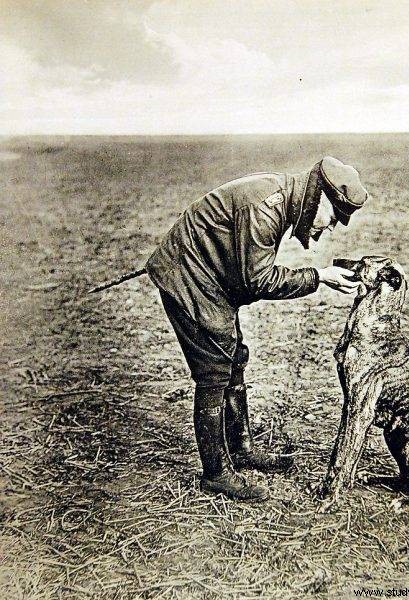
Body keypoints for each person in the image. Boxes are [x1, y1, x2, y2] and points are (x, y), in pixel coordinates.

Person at [147, 156, 369, 501]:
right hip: (187, 276)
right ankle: (216, 473)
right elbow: (256, 280)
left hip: (209, 274)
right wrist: (318, 276)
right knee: (215, 369)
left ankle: (240, 449)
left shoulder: (283, 197)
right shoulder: (267, 208)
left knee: (234, 356)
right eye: (333, 218)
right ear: (320, 196)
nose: (330, 228)